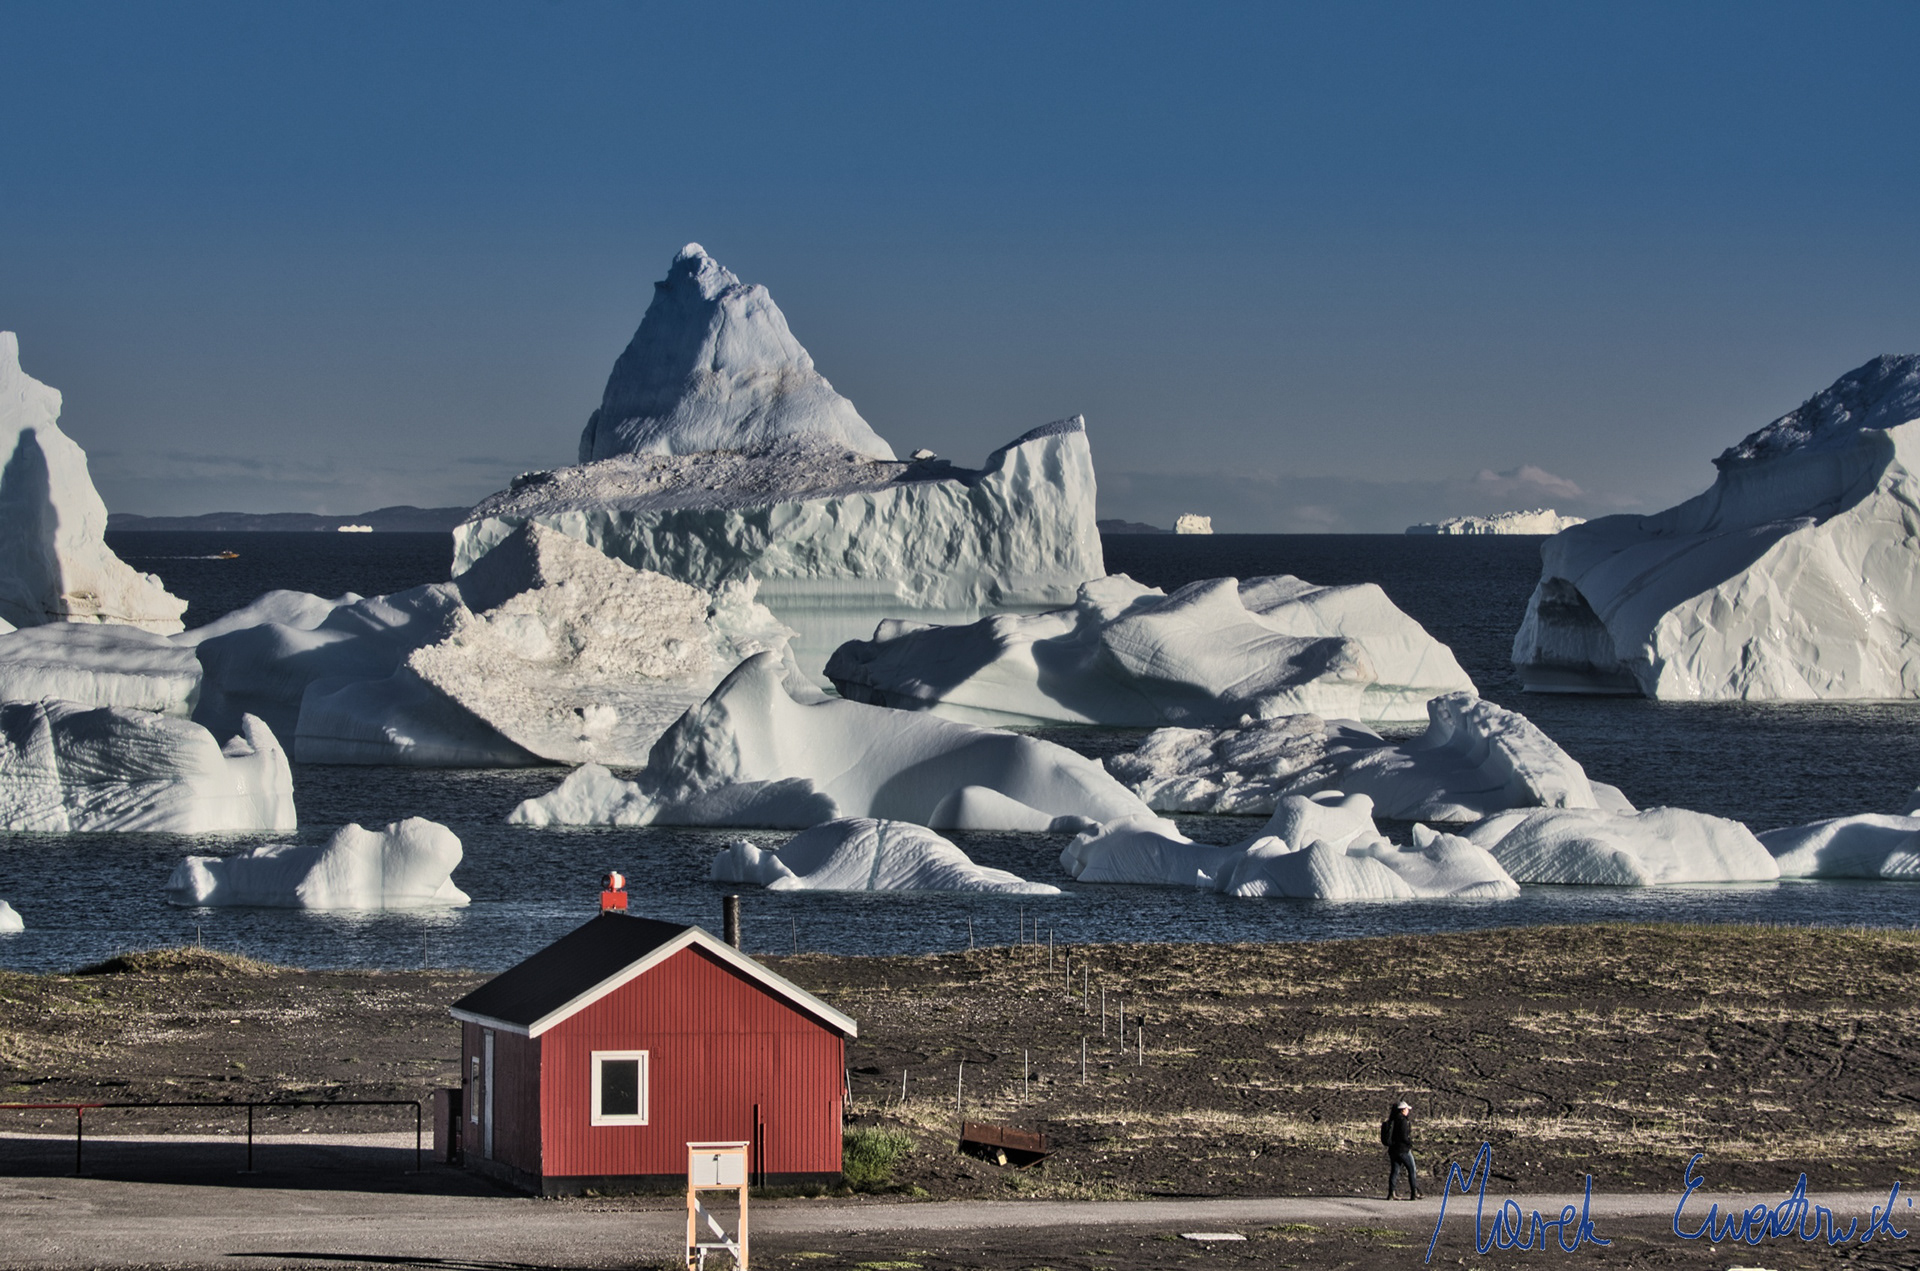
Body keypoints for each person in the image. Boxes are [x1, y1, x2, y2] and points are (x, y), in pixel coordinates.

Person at [1382, 1099, 1418, 1200]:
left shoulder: (1391, 1120)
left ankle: (1391, 1193)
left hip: (1393, 1150)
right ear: (1402, 1110)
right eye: (1407, 1109)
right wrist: (1409, 1143)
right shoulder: (1403, 1121)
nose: (1408, 1111)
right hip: (1403, 1150)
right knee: (1412, 1170)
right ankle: (1414, 1193)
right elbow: (1404, 1136)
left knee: (1395, 1171)